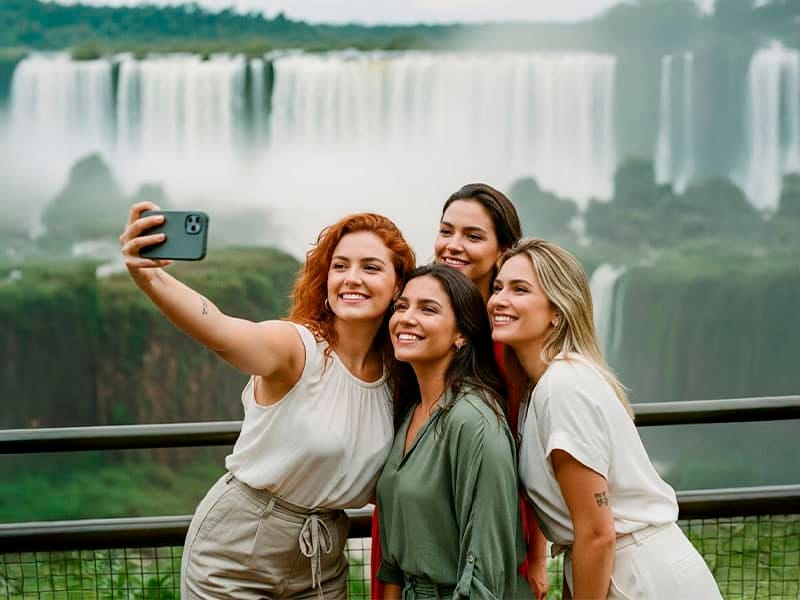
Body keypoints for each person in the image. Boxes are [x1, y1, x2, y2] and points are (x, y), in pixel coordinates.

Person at [119, 202, 416, 599]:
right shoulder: (296, 348)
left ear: (398, 285)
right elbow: (221, 330)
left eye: (371, 267)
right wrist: (150, 278)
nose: (352, 278)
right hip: (235, 554)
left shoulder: (397, 376)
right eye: (340, 266)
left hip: (321, 562)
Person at [489, 238, 722, 600]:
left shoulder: (563, 387)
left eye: (520, 289)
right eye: (498, 287)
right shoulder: (549, 384)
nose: (499, 300)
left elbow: (597, 533)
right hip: (632, 567)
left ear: (557, 310)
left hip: (640, 577)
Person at [376, 264, 531, 599]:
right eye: (401, 307)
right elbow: (393, 567)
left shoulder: (474, 421)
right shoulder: (412, 412)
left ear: (462, 334)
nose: (406, 318)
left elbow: (486, 572)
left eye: (427, 309)